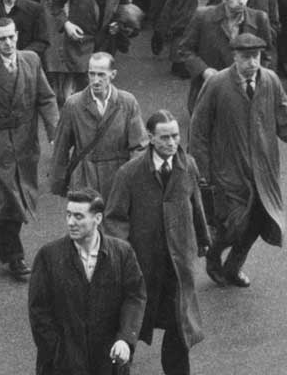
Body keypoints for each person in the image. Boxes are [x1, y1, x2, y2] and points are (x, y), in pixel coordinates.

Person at [189, 29, 287, 288]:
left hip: (264, 170)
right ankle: (214, 256)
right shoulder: (217, 84)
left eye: (256, 56)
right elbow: (198, 130)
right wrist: (202, 173)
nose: (252, 63)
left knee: (260, 221)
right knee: (232, 225)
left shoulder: (270, 81)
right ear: (234, 57)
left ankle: (233, 267)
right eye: (246, 57)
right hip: (228, 171)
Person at [106, 111, 209, 375]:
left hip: (177, 268)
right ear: (150, 138)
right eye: (164, 137)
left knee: (179, 331)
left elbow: (196, 206)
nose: (172, 142)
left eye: (175, 136)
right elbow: (115, 219)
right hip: (143, 268)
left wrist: (203, 239)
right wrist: (124, 260)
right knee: (129, 329)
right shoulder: (129, 174)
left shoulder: (189, 167)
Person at [0, 12, 62, 280]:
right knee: (9, 194)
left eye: (12, 36)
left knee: (22, 192)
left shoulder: (31, 60)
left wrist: (56, 132)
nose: (8, 43)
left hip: (26, 140)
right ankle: (14, 256)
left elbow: (46, 98)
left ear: (17, 35)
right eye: (2, 39)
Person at [26, 189, 147, 375]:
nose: (70, 222)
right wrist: (57, 352)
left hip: (108, 362)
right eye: (68, 215)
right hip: (63, 366)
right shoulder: (48, 256)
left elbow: (135, 297)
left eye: (78, 216)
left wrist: (125, 339)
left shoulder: (122, 253)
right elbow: (39, 311)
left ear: (97, 219)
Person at [50, 51, 146, 203]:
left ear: (113, 74)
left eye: (101, 75)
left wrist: (131, 178)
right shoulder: (74, 105)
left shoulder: (127, 102)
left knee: (116, 224)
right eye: (91, 74)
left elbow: (139, 146)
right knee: (85, 223)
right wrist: (59, 182)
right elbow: (61, 146)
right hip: (84, 177)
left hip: (117, 178)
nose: (95, 80)